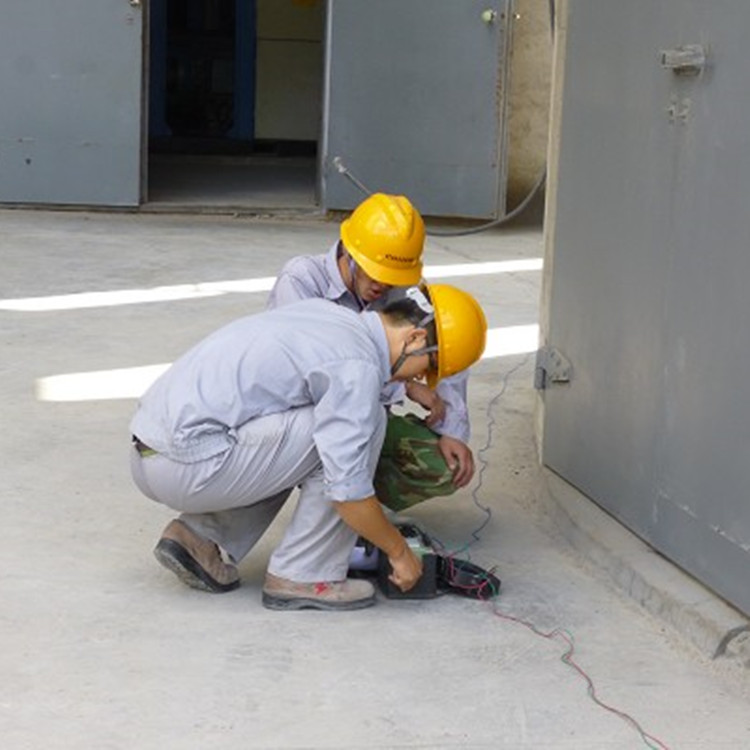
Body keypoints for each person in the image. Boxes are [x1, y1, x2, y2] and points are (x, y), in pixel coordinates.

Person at [130, 283, 487, 611]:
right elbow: (346, 489)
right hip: (184, 463)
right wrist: (398, 551)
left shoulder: (332, 318)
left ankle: (198, 537)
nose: (420, 379)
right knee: (356, 429)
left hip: (153, 451)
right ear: (414, 338)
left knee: (320, 426)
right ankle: (305, 575)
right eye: (429, 366)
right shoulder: (355, 366)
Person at [267, 192, 475, 513]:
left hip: (368, 417)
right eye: (371, 269)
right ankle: (208, 534)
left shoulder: (405, 288)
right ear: (348, 250)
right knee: (299, 442)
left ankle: (356, 507)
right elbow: (315, 375)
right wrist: (405, 385)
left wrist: (452, 430)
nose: (381, 283)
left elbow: (449, 342)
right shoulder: (302, 280)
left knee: (439, 465)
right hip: (303, 413)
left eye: (391, 276)